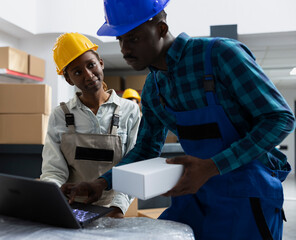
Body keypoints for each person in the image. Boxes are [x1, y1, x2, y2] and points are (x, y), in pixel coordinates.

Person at [61, 0, 296, 239]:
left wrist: (212, 166)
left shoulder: (220, 55)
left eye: (132, 38)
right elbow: (146, 148)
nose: (124, 49)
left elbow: (279, 118)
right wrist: (102, 184)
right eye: (120, 40)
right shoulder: (154, 87)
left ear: (161, 29)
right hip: (196, 191)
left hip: (247, 194)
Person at [40, 32, 141, 218]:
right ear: (69, 79)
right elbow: (53, 170)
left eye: (91, 65)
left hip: (114, 208)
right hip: (71, 209)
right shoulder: (60, 115)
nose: (88, 75)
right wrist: (54, 198)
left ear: (100, 63)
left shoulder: (130, 111)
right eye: (77, 72)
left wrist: (118, 208)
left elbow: (133, 165)